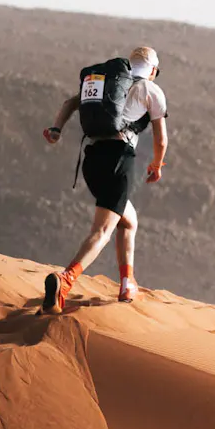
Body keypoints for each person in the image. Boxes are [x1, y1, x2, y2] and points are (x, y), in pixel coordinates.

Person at [41, 45, 169, 311]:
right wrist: (156, 166)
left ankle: (127, 283)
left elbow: (69, 103)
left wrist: (56, 129)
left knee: (128, 221)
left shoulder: (106, 82)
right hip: (118, 158)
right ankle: (65, 280)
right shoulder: (151, 90)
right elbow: (161, 139)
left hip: (92, 158)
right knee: (102, 230)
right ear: (153, 71)